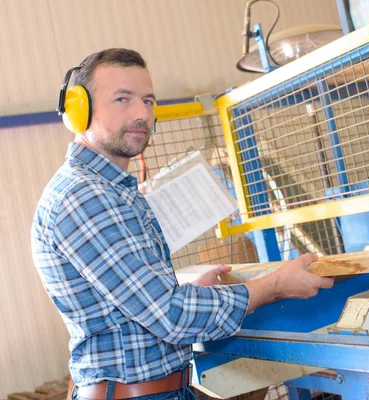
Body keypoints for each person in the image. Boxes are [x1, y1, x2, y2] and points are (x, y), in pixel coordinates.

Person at [31, 48, 334, 400]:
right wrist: (276, 286)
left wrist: (202, 295)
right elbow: (170, 316)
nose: (142, 113)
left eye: (147, 100)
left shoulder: (111, 190)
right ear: (79, 111)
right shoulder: (84, 197)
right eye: (122, 99)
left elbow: (144, 305)